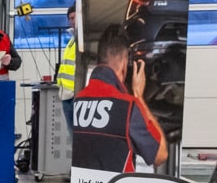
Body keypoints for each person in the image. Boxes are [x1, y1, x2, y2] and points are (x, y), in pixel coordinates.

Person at [70, 23, 167, 174]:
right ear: (124, 64)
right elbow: (160, 155)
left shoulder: (78, 101)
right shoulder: (127, 106)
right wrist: (139, 97)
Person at [55, 4, 78, 183]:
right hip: (67, 95)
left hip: (77, 96)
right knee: (74, 141)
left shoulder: (82, 41)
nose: (72, 21)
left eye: (75, 17)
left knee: (80, 142)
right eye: (70, 18)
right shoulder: (72, 40)